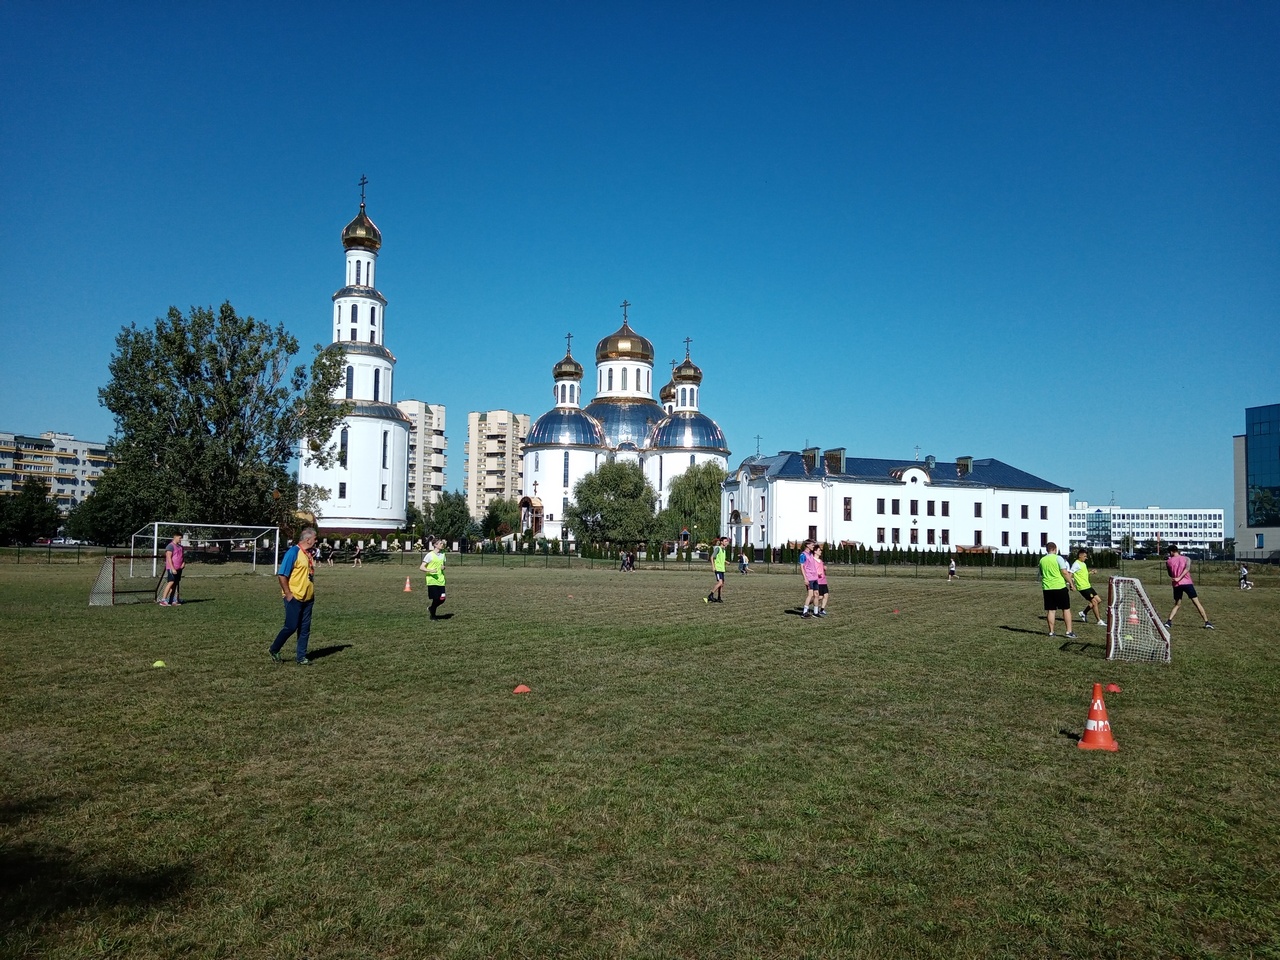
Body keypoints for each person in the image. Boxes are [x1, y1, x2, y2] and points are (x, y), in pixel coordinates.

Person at [270, 527, 318, 665]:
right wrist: (288, 594)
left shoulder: (308, 554)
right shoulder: (293, 552)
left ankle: (301, 657)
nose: (316, 541)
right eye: (315, 538)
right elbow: (282, 575)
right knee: (291, 627)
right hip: (294, 597)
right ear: (308, 539)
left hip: (308, 598)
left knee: (304, 629)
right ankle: (274, 649)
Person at [1165, 544, 1213, 629]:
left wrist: (1177, 577)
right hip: (1187, 583)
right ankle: (1207, 622)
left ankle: (1169, 622)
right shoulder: (1186, 559)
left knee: (1177, 604)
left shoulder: (1168, 561)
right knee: (1197, 603)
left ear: (1171, 552)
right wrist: (1180, 577)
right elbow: (1187, 569)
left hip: (1177, 585)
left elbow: (1170, 574)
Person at [1038, 542, 1076, 638]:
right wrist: (1071, 583)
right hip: (1059, 587)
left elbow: (1042, 573)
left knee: (1051, 610)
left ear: (1047, 549)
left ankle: (1051, 632)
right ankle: (1069, 631)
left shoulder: (1042, 560)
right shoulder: (1058, 558)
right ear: (1055, 549)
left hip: (1047, 588)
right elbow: (1064, 572)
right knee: (1066, 609)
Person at [1071, 549, 1106, 627]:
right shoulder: (1076, 564)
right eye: (1085, 556)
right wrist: (1071, 585)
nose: (1086, 558)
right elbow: (1070, 574)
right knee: (1094, 602)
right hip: (1083, 587)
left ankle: (1084, 613)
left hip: (1088, 586)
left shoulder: (1083, 563)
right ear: (1080, 555)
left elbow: (1083, 574)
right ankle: (1099, 621)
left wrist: (1091, 572)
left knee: (1098, 600)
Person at [420, 538, 447, 619]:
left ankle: (431, 608)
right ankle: (433, 616)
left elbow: (443, 566)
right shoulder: (429, 555)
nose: (442, 545)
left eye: (442, 543)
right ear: (435, 545)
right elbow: (421, 567)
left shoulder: (443, 554)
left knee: (442, 599)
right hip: (432, 580)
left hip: (441, 580)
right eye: (440, 543)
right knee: (435, 598)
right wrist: (430, 570)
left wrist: (443, 567)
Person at [159, 532, 185, 606]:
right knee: (171, 582)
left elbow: (182, 556)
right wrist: (172, 568)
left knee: (175, 584)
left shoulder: (181, 547)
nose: (180, 539)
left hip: (179, 568)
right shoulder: (170, 546)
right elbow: (169, 558)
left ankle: (171, 600)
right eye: (180, 538)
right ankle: (163, 600)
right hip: (172, 568)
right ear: (175, 537)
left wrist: (183, 563)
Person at [799, 540, 820, 619]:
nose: (813, 546)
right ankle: (804, 612)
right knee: (810, 595)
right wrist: (805, 578)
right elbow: (802, 567)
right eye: (812, 545)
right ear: (807, 545)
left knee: (816, 594)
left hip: (815, 578)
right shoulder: (803, 555)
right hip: (809, 578)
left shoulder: (811, 554)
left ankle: (815, 612)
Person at [705, 537, 727, 603]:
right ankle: (710, 595)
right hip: (718, 569)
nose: (727, 542)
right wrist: (713, 567)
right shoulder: (718, 549)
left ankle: (719, 597)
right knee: (720, 582)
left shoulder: (724, 550)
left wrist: (726, 562)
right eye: (725, 541)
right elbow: (712, 557)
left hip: (722, 569)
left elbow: (721, 559)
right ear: (721, 542)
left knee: (722, 584)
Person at [814, 544, 830, 617]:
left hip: (823, 581)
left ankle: (822, 610)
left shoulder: (820, 561)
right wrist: (817, 574)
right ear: (815, 551)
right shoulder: (812, 560)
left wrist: (824, 568)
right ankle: (808, 603)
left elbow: (821, 569)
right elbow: (811, 570)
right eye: (819, 550)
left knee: (826, 595)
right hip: (818, 581)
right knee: (819, 597)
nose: (820, 551)